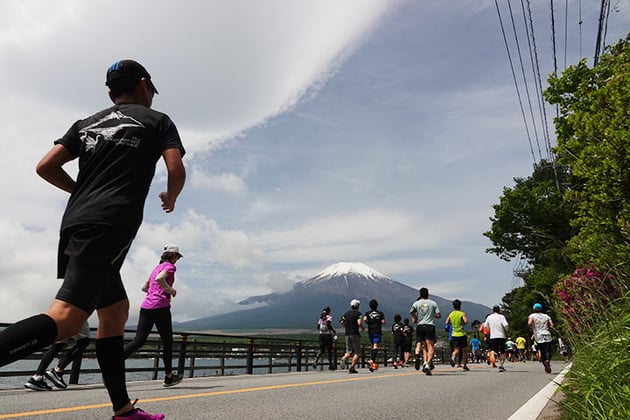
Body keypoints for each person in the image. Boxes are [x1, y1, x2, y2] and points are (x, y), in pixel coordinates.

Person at [0, 59, 186, 420]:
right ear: (145, 84)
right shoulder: (157, 120)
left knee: (115, 312)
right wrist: (171, 197)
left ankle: (123, 410)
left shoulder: (86, 123)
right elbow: (175, 168)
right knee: (67, 319)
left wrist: (80, 191)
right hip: (109, 225)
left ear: (110, 92)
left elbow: (45, 166)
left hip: (76, 223)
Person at [123, 244, 184, 387]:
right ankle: (169, 377)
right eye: (177, 257)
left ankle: (113, 363)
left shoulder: (155, 268)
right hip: (161, 307)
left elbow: (145, 287)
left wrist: (154, 294)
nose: (177, 260)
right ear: (174, 256)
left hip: (146, 307)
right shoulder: (170, 267)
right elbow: (159, 279)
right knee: (167, 342)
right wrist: (170, 290)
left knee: (138, 341)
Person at [25, 320, 90, 391]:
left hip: (58, 315)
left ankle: (37, 377)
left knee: (58, 344)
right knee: (84, 341)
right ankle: (57, 370)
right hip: (76, 314)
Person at [409, 287, 441, 375]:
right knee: (430, 347)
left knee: (424, 346)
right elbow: (438, 315)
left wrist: (416, 317)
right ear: (428, 294)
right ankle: (427, 364)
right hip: (430, 326)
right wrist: (432, 316)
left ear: (420, 294)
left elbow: (411, 312)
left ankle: (423, 361)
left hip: (420, 326)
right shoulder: (433, 303)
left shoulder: (416, 303)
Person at [528, 303, 555, 373]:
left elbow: (529, 323)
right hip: (547, 333)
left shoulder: (532, 315)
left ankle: (545, 365)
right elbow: (552, 325)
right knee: (548, 350)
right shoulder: (546, 316)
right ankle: (548, 360)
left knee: (542, 351)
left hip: (538, 335)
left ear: (534, 309)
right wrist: (549, 328)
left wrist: (531, 329)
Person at [339, 299, 364, 374]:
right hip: (355, 334)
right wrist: (362, 328)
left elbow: (341, 321)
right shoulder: (358, 314)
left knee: (348, 351)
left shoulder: (346, 313)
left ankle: (344, 358)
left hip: (347, 334)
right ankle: (352, 367)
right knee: (357, 352)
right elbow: (359, 323)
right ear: (358, 306)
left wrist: (345, 326)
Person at [445, 299, 469, 371]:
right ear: (460, 306)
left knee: (456, 349)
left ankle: (453, 356)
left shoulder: (451, 314)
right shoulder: (462, 313)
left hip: (454, 334)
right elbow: (466, 321)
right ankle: (464, 365)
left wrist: (452, 324)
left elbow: (446, 322)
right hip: (461, 333)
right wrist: (462, 324)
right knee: (464, 350)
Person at [484, 305, 509, 372]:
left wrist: (490, 329)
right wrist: (506, 330)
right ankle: (501, 365)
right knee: (502, 352)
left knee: (493, 350)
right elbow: (506, 325)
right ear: (499, 310)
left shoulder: (489, 317)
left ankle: (494, 354)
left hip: (493, 337)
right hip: (501, 336)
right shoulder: (502, 317)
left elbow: (485, 326)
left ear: (493, 310)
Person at [363, 299, 385, 372]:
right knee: (375, 346)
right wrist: (378, 321)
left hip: (370, 330)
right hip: (377, 330)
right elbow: (383, 322)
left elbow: (365, 319)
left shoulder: (367, 313)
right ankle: (372, 360)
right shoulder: (380, 313)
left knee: (372, 346)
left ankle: (373, 364)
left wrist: (369, 322)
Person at [313, 306, 336, 370]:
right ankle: (330, 365)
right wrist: (333, 330)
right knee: (329, 350)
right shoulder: (329, 317)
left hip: (321, 335)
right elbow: (328, 324)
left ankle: (316, 359)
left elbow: (317, 327)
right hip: (327, 335)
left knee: (322, 350)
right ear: (329, 311)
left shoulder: (320, 318)